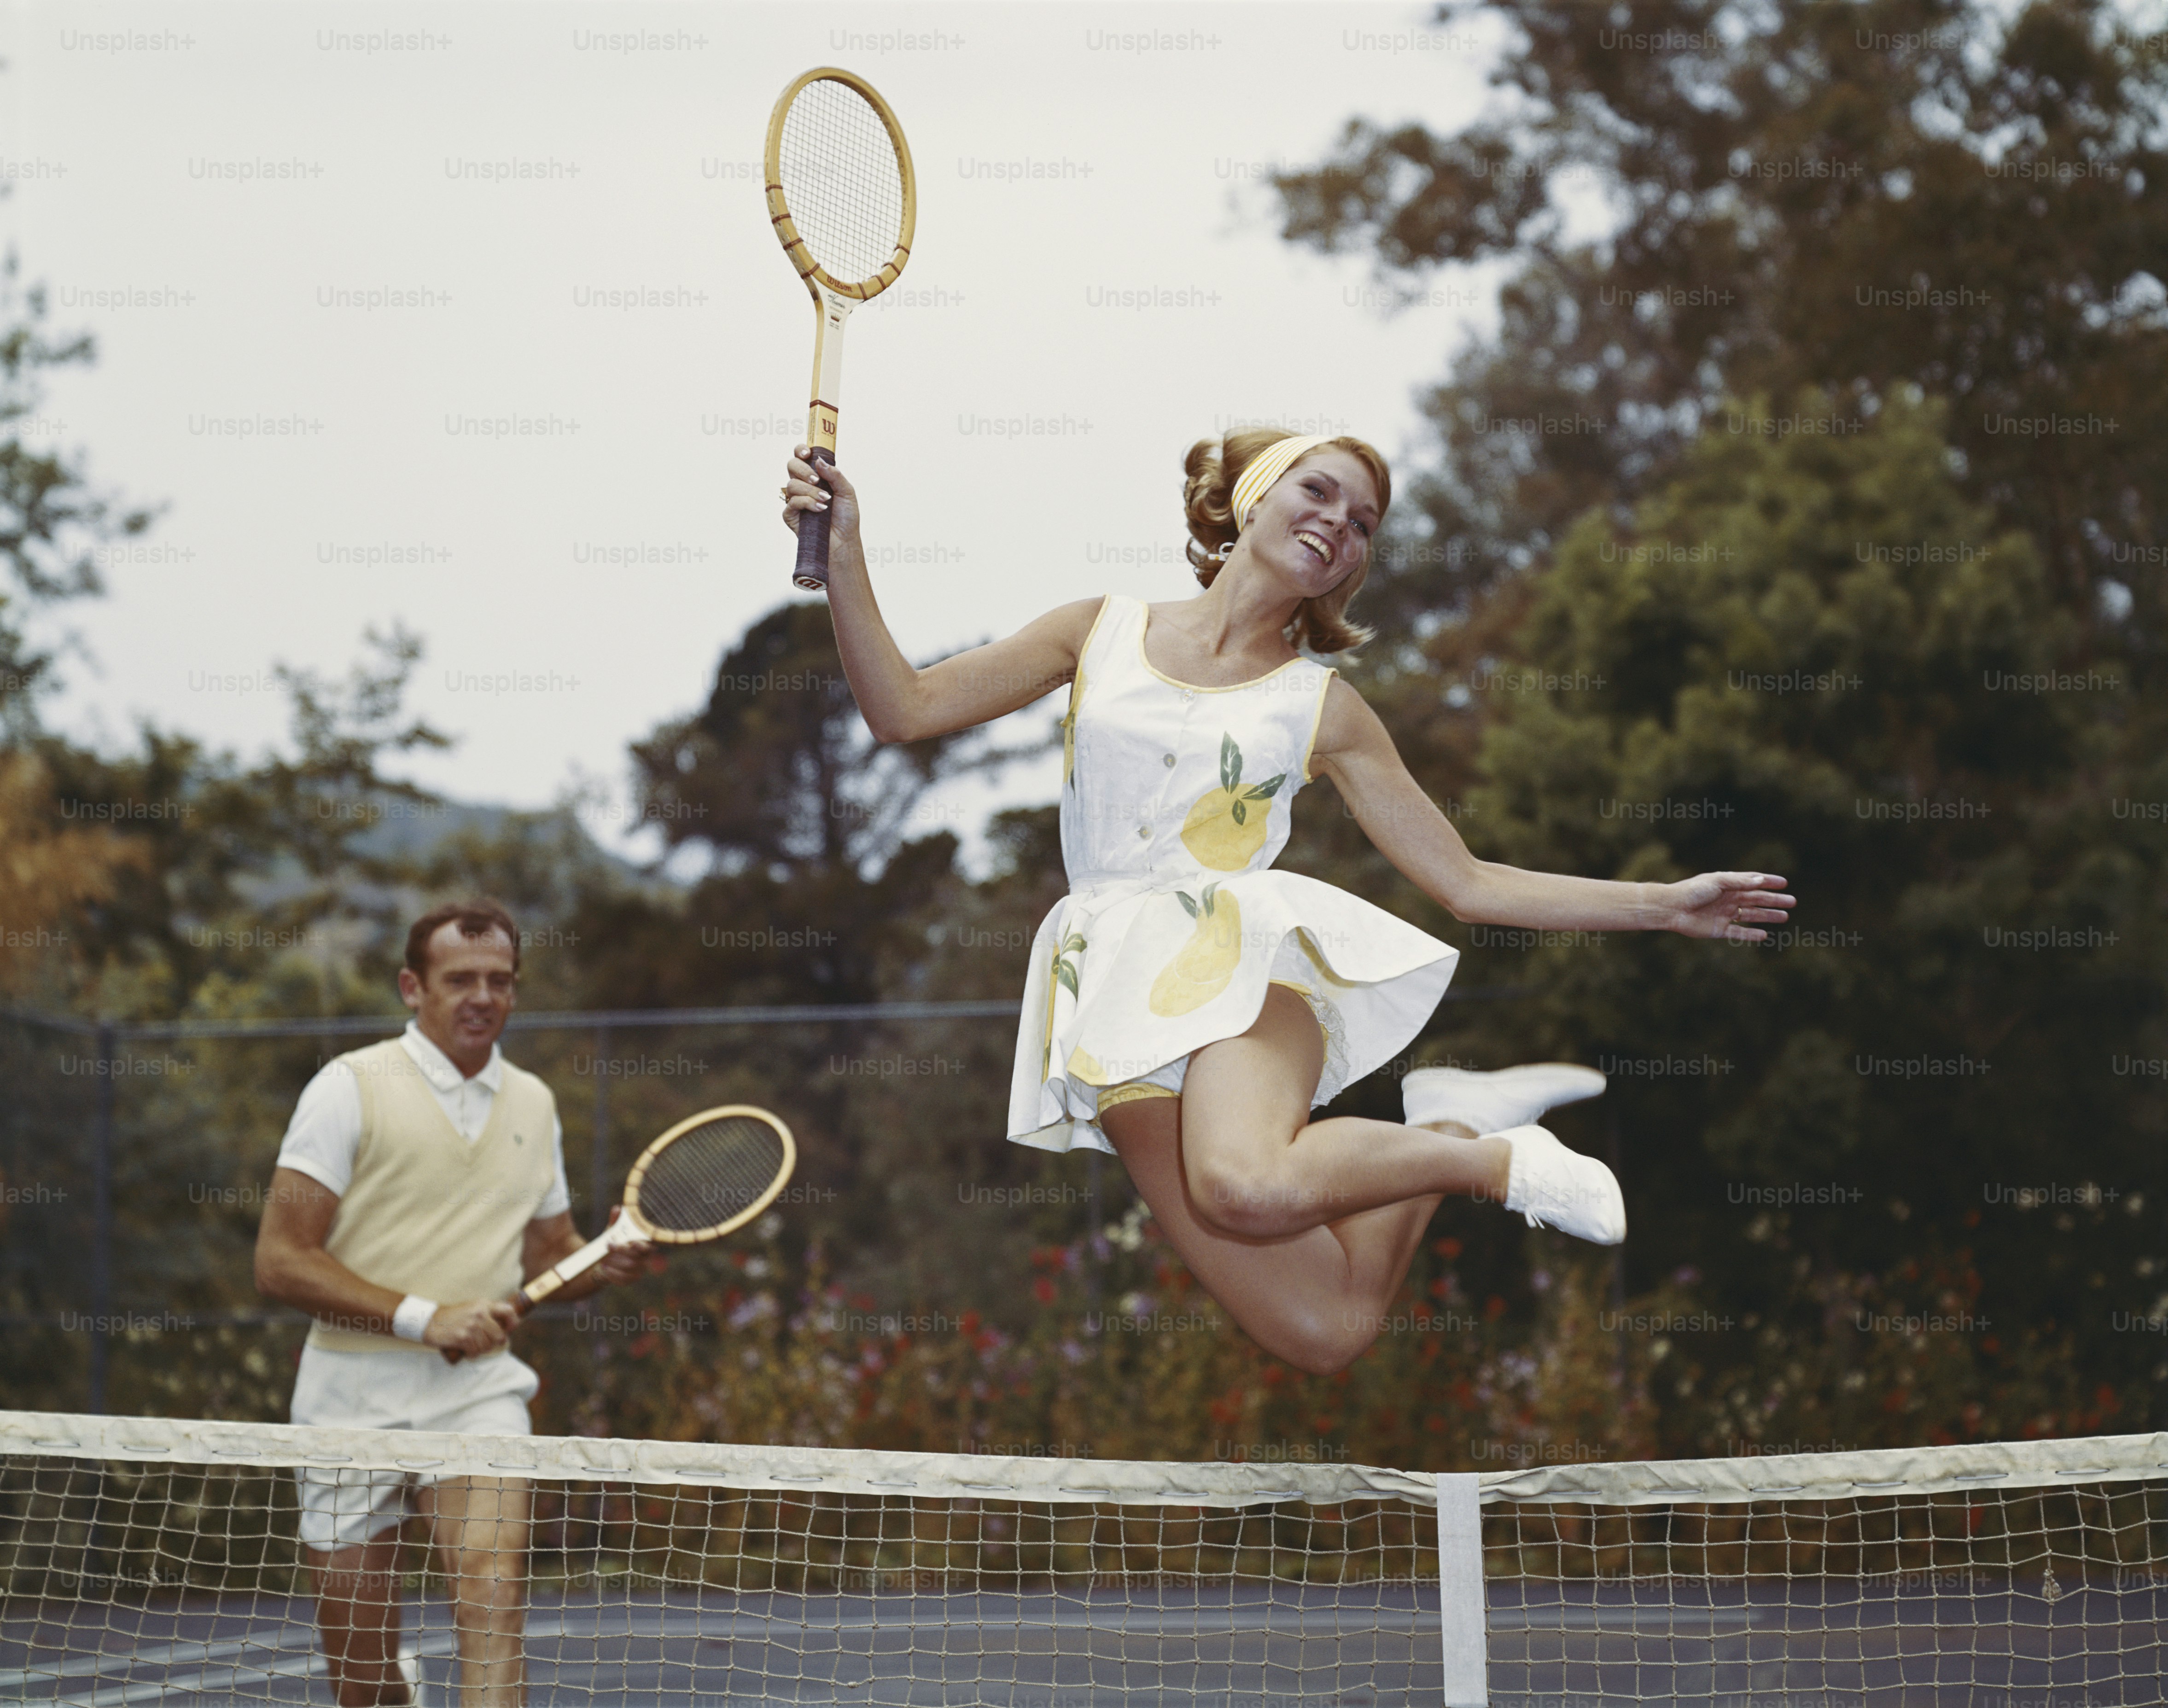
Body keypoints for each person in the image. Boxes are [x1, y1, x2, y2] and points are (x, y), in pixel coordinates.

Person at [780, 428, 1794, 1377]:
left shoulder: (1325, 707)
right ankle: (1443, 1131)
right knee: (1327, 1327)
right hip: (1109, 1002)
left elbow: (1467, 882)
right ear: (1252, 497)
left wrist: (1661, 902)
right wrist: (848, 551)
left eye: (1363, 524)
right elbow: (902, 710)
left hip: (1241, 969)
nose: (1340, 525)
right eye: (1321, 492)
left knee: (1242, 1183)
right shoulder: (1098, 630)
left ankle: (1497, 1163)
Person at [255, 899, 653, 1708]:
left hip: (478, 1395)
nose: (482, 996)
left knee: (493, 1590)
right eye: (459, 978)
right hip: (349, 1397)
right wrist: (423, 1317)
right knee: (364, 1681)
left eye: (499, 980)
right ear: (413, 986)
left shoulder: (535, 1103)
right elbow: (279, 1259)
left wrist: (601, 1260)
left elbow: (549, 1255)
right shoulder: (348, 1087)